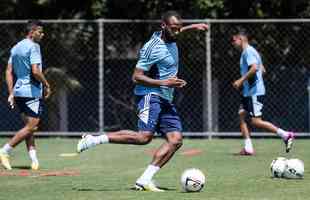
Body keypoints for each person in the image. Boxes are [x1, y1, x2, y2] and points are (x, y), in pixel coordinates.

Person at [76, 11, 208, 192]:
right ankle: (94, 139)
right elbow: (136, 76)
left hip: (165, 97)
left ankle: (144, 180)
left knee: (175, 140)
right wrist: (165, 82)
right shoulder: (152, 47)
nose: (177, 32)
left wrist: (194, 27)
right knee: (144, 137)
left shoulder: (172, 34)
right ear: (163, 26)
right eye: (174, 29)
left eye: (179, 29)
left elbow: (178, 30)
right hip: (149, 95)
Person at [231, 29, 295, 155]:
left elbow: (255, 68)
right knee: (241, 114)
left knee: (256, 121)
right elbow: (262, 70)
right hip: (248, 92)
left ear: (241, 39)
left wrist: (240, 80)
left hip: (254, 92)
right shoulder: (251, 52)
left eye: (234, 40)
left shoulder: (248, 52)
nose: (232, 43)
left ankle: (286, 135)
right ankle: (248, 148)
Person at [0, 20, 51, 170]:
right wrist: (47, 84)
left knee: (30, 127)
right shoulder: (34, 46)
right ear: (32, 32)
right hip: (31, 91)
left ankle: (34, 160)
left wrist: (11, 92)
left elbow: (8, 71)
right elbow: (35, 71)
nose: (42, 34)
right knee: (32, 126)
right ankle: (4, 151)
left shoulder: (16, 47)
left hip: (19, 91)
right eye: (40, 32)